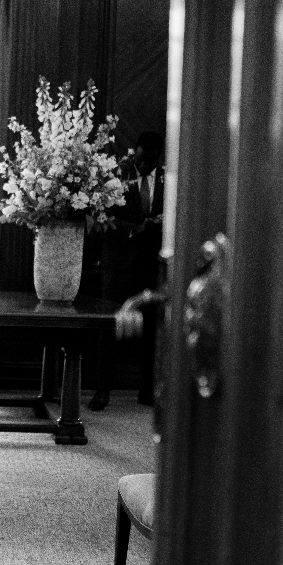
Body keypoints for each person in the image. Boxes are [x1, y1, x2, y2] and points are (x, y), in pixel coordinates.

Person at [94, 130, 165, 410]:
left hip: (151, 265)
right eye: (141, 159)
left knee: (153, 330)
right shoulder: (116, 176)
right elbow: (103, 218)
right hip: (119, 263)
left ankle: (147, 391)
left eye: (150, 161)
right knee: (109, 327)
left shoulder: (167, 179)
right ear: (134, 152)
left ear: (158, 157)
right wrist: (135, 230)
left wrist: (159, 223)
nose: (144, 166)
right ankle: (102, 391)